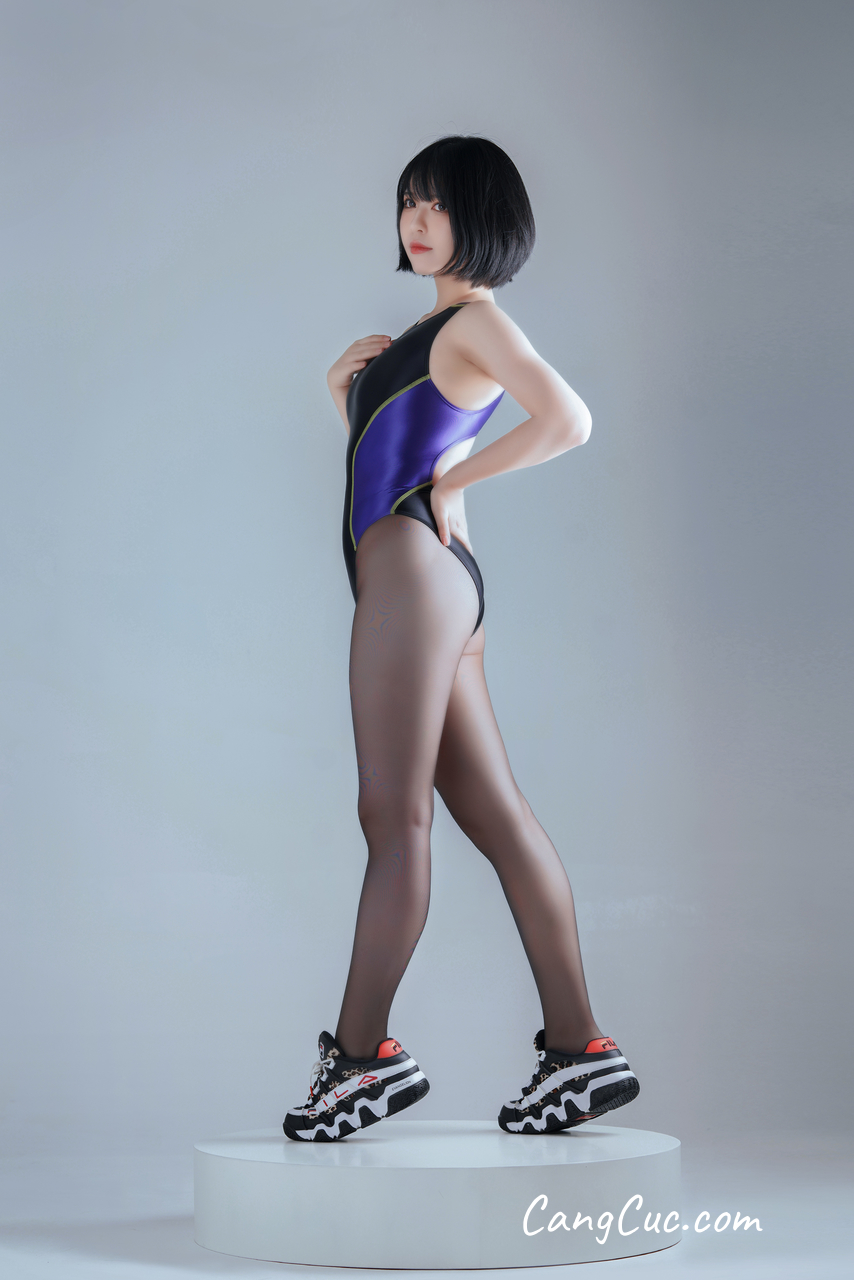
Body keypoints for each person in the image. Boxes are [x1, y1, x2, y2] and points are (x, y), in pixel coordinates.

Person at [284, 136, 639, 1142]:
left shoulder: (476, 320)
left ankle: (361, 1060)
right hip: (433, 581)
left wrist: (456, 484)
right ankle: (579, 1047)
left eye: (437, 203)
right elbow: (397, 451)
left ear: (482, 216)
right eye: (408, 200)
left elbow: (566, 419)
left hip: (411, 577)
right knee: (494, 815)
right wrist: (344, 395)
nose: (416, 219)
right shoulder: (431, 332)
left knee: (393, 820)